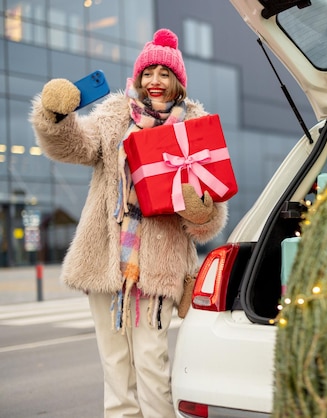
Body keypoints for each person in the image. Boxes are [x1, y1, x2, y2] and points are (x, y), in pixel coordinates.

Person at [30, 28, 227, 417]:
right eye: (149, 72)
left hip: (159, 267)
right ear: (138, 77)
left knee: (153, 368)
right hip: (107, 263)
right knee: (115, 371)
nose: (156, 81)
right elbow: (75, 144)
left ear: (178, 83)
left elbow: (211, 210)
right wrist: (56, 115)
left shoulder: (194, 127)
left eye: (165, 74)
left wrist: (201, 211)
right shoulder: (114, 117)